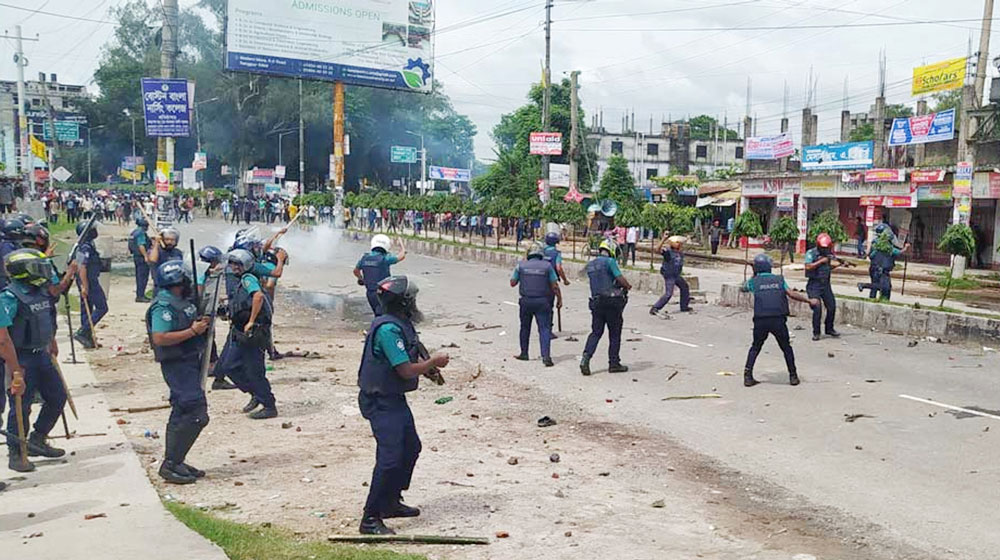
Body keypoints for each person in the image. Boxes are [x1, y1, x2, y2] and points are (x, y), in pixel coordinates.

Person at [356, 275, 450, 535]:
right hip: (380, 401)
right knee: (389, 458)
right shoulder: (387, 330)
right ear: (404, 302)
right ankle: (370, 518)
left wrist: (429, 368)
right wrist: (434, 363)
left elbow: (413, 350)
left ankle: (390, 501)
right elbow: (406, 370)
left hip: (393, 398)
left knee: (411, 447)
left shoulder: (400, 324)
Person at [146, 260, 211, 484]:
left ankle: (176, 460)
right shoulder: (163, 306)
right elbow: (160, 337)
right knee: (195, 413)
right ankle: (170, 463)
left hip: (190, 360)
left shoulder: (184, 301)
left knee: (182, 411)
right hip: (177, 364)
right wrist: (193, 331)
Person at [2, 249, 66, 473]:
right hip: (21, 358)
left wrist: (51, 341)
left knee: (57, 397)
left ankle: (38, 438)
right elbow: (4, 337)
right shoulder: (9, 298)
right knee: (21, 406)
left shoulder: (40, 292)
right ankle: (17, 452)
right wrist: (14, 369)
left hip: (42, 354)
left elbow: (48, 318)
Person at [741, 254, 820, 388]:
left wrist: (753, 273)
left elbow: (743, 288)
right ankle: (793, 376)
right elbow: (791, 294)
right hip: (778, 319)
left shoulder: (754, 282)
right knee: (786, 348)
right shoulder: (779, 280)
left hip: (760, 320)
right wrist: (809, 300)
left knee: (755, 347)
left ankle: (747, 376)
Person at [225, 249, 277, 419]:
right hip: (240, 332)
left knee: (255, 371)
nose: (234, 267)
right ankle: (256, 393)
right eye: (232, 263)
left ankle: (269, 405)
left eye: (238, 264)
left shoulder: (248, 279)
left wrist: (251, 321)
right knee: (229, 366)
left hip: (253, 332)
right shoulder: (240, 281)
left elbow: (258, 297)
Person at [580, 239, 632, 376]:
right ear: (612, 250)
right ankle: (614, 363)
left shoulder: (590, 264)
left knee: (596, 332)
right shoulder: (610, 262)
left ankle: (586, 358)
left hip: (596, 303)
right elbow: (619, 278)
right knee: (614, 334)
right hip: (612, 303)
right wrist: (627, 286)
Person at [511, 243, 562, 367]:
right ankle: (546, 357)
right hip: (543, 302)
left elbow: (512, 282)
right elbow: (554, 285)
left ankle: (524, 353)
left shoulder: (521, 265)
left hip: (526, 301)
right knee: (544, 329)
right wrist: (559, 299)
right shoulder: (547, 266)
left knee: (525, 327)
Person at [803, 233, 846, 341]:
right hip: (814, 285)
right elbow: (808, 266)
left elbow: (827, 267)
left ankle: (829, 328)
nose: (825, 250)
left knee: (832, 307)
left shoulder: (829, 254)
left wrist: (840, 264)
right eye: (823, 248)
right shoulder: (811, 253)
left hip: (825, 284)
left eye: (827, 248)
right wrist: (821, 261)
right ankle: (816, 332)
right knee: (817, 308)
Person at [73, 222, 108, 350]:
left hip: (88, 280)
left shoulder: (86, 245)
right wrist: (85, 286)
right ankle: (83, 331)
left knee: (86, 309)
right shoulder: (85, 247)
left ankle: (87, 337)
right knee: (102, 307)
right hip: (89, 282)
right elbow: (82, 267)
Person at [355, 234, 406, 316]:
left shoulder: (365, 258)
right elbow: (401, 256)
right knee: (387, 314)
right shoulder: (384, 259)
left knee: (377, 314)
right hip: (384, 293)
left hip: (370, 293)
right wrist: (402, 247)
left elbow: (356, 271)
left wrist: (361, 279)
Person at [858, 224, 909, 301]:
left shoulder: (875, 243)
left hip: (875, 268)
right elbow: (898, 252)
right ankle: (864, 286)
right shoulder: (886, 245)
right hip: (881, 270)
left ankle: (873, 298)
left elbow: (870, 255)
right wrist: (906, 248)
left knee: (878, 286)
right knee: (884, 287)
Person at [650, 234, 692, 316]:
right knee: (668, 294)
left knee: (684, 287)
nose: (679, 244)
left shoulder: (679, 253)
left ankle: (684, 306)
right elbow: (657, 249)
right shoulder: (668, 252)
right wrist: (664, 238)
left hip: (676, 275)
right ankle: (655, 307)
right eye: (677, 243)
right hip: (669, 275)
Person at [129, 217, 153, 302]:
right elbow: (141, 245)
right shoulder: (141, 233)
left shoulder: (134, 232)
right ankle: (140, 296)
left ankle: (140, 294)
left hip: (136, 256)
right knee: (142, 277)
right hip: (141, 257)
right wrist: (146, 256)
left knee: (139, 276)